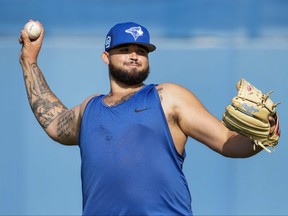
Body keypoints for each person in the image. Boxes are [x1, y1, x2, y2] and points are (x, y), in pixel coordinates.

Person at [19, 20, 276, 216]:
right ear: (106, 57)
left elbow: (226, 141)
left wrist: (266, 133)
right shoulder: (89, 108)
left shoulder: (168, 97)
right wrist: (28, 61)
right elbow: (52, 120)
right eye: (125, 49)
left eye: (141, 51)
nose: (134, 55)